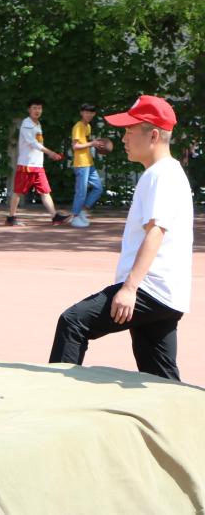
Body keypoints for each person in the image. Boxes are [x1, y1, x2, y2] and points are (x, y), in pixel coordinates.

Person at [49, 96, 192, 380]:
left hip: (149, 290)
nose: (123, 138)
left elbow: (156, 231)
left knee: (73, 323)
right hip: (165, 294)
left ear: (153, 135)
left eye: (130, 131)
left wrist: (129, 288)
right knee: (159, 377)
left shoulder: (160, 175)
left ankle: (56, 398)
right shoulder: (168, 172)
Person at [5, 98, 70, 226]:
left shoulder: (37, 124)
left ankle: (55, 217)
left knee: (45, 191)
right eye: (34, 108)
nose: (37, 110)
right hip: (26, 165)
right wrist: (50, 152)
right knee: (18, 192)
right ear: (29, 110)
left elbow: (37, 144)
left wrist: (48, 153)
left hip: (37, 166)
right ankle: (11, 218)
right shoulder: (26, 124)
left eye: (39, 108)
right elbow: (33, 143)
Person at [69, 103, 104, 228]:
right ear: (81, 113)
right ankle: (75, 217)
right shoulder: (78, 126)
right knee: (81, 192)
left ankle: (82, 211)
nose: (88, 114)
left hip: (89, 163)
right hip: (81, 163)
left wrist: (94, 144)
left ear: (94, 114)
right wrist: (91, 144)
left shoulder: (87, 126)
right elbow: (75, 146)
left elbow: (86, 143)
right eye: (86, 112)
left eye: (91, 112)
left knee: (98, 188)